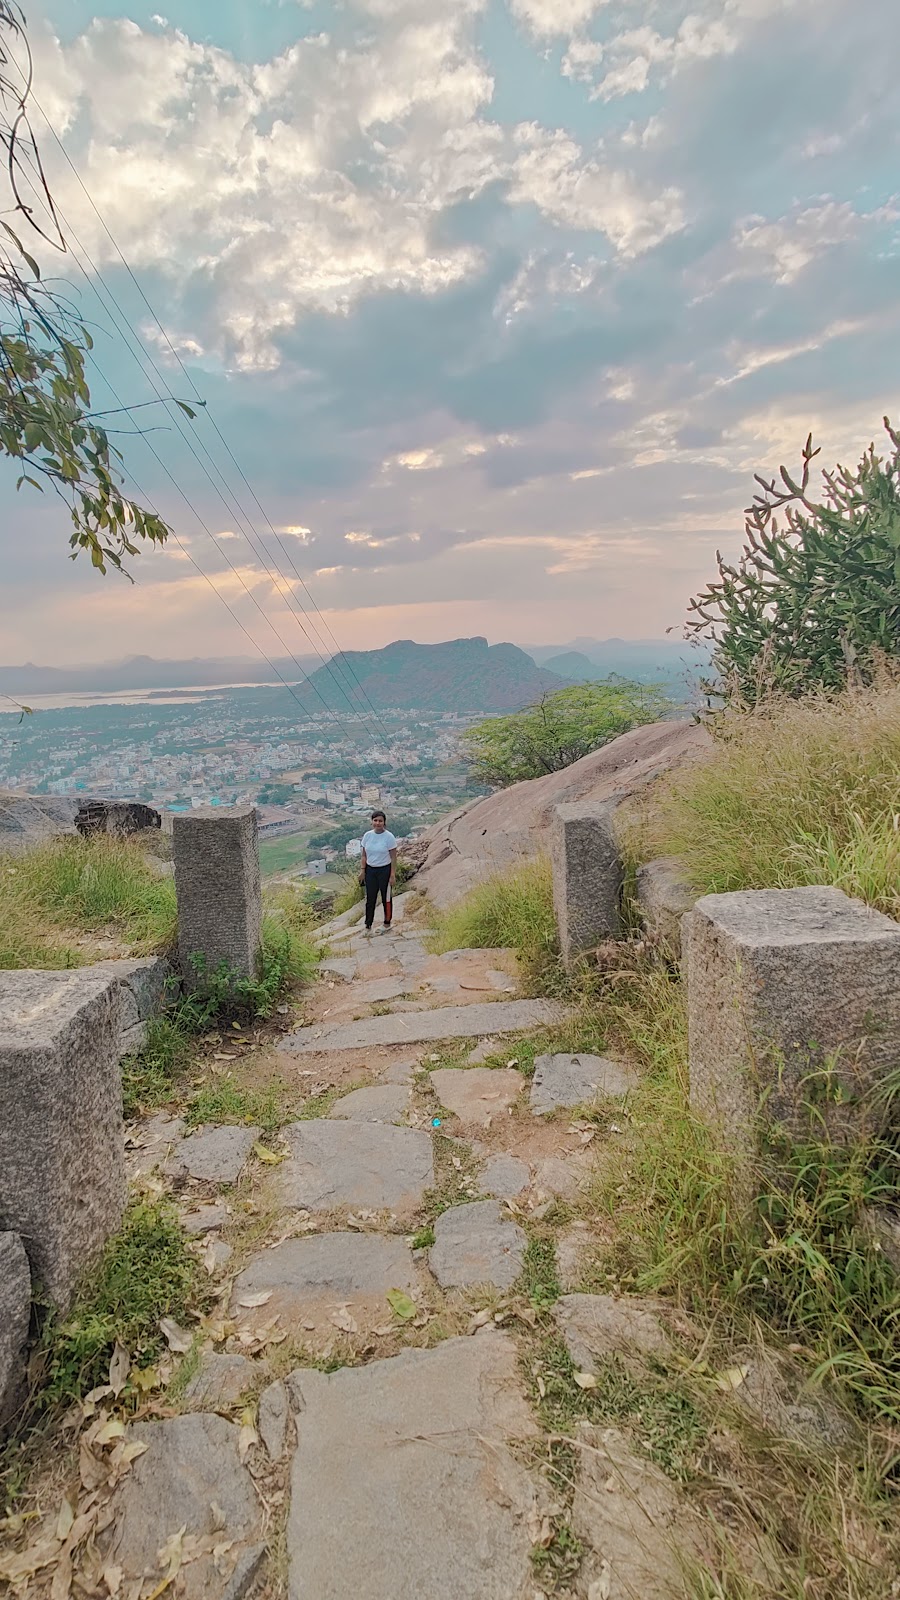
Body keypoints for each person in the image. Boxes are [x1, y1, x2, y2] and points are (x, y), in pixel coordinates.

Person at [358, 810, 397, 933]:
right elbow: (364, 855)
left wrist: (392, 875)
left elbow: (393, 857)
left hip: (384, 870)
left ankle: (387, 923)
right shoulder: (367, 836)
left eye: (380, 821)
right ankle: (368, 925)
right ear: (372, 822)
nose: (378, 823)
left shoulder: (389, 837)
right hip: (370, 870)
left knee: (386, 898)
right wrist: (363, 871)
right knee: (370, 899)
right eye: (375, 820)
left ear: (384, 822)